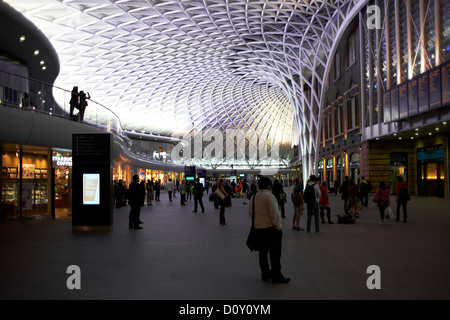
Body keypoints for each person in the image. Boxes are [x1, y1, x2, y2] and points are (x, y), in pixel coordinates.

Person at [248, 176, 290, 283]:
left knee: (262, 253)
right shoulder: (269, 197)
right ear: (268, 185)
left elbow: (251, 213)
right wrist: (278, 227)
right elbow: (275, 215)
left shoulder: (254, 197)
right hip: (270, 230)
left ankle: (265, 274)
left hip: (258, 229)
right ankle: (276, 276)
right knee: (275, 254)